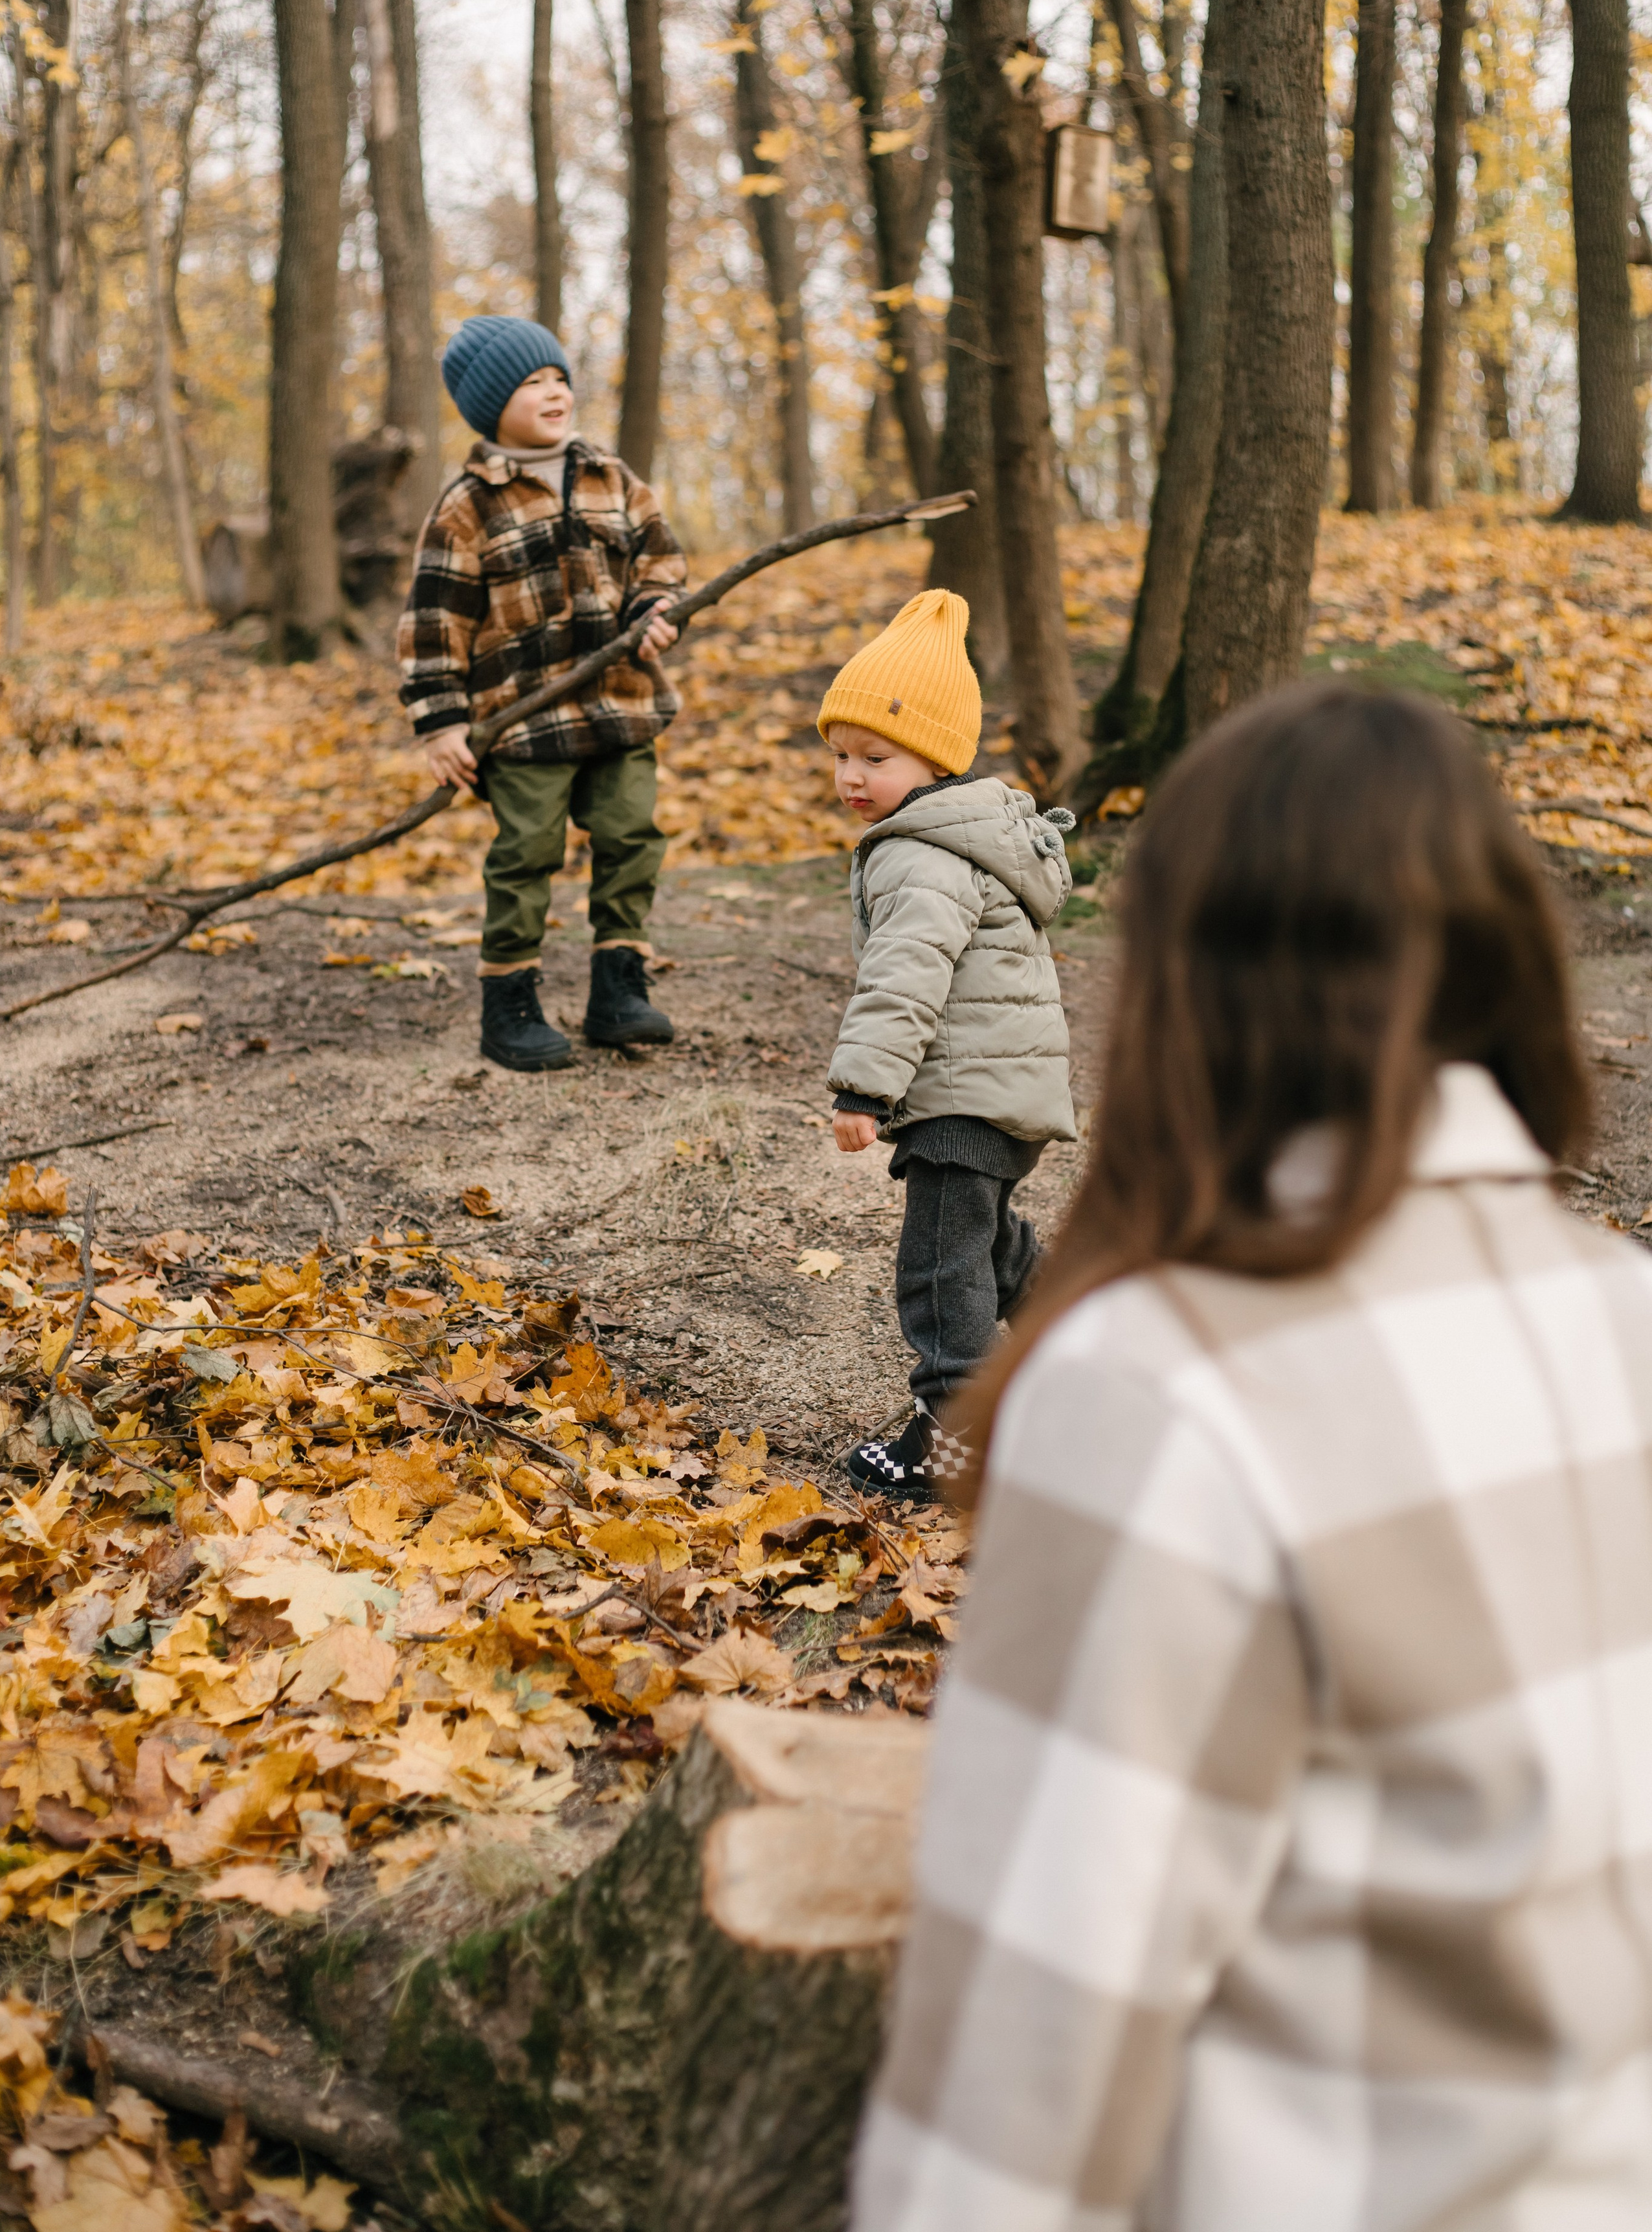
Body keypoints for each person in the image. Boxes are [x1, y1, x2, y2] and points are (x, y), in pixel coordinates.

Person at [851, 682, 1652, 2232]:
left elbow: (1024, 2074)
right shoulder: (1624, 1311)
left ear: (1175, 980)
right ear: (1503, 959)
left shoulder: (1159, 1393)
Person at [820, 589, 1077, 1502]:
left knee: (938, 1263)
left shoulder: (922, 856)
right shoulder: (961, 838)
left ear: (935, 757)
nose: (851, 777)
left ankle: (954, 1435)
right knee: (984, 1244)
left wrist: (862, 1088)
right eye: (841, 756)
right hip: (999, 1089)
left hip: (967, 1094)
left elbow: (907, 977)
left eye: (875, 758)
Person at [397, 315, 684, 1072]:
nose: (554, 391)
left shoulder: (612, 477)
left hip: (621, 702)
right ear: (492, 405)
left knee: (630, 838)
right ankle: (510, 1000)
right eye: (531, 383)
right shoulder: (467, 505)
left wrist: (652, 611)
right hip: (523, 724)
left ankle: (618, 989)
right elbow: (434, 620)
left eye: (558, 377)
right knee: (526, 853)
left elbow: (660, 562)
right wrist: (440, 724)